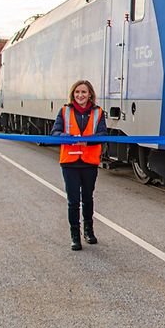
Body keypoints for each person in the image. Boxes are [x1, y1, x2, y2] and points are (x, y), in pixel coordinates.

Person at [50, 80, 108, 251]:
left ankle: (88, 231)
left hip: (89, 162)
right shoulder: (64, 111)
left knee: (88, 198)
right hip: (70, 163)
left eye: (83, 92)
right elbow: (55, 132)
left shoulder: (98, 113)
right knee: (73, 201)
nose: (80, 95)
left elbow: (103, 134)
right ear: (73, 94)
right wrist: (67, 136)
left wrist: (86, 142)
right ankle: (75, 235)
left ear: (90, 94)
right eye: (77, 92)